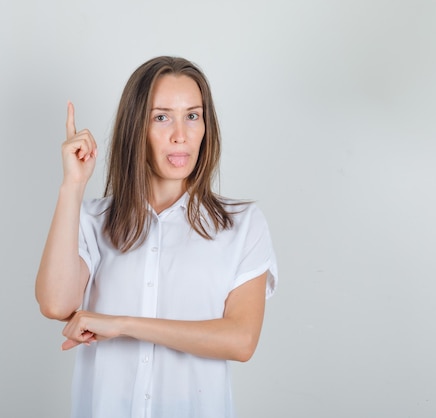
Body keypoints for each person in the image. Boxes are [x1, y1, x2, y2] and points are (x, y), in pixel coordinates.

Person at [35, 56, 278, 418]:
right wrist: (73, 185)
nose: (180, 134)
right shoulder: (93, 220)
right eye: (161, 117)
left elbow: (241, 340)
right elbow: (55, 304)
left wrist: (122, 324)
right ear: (136, 128)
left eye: (192, 116)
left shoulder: (241, 225)